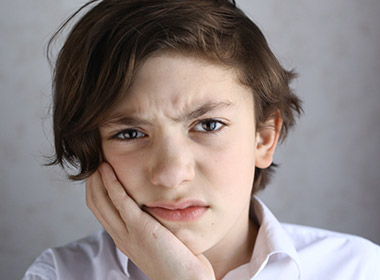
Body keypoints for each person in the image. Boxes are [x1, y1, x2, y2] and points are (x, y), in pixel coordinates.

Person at [22, 0, 380, 279]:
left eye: (208, 125)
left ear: (264, 139)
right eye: (130, 133)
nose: (172, 174)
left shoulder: (359, 270)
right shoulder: (59, 275)